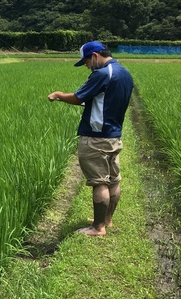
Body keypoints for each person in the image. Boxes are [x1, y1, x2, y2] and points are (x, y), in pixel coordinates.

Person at [48, 41, 134, 236]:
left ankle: (98, 227)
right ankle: (107, 220)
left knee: (99, 182)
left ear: (95, 56)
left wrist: (59, 95)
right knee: (113, 180)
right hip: (114, 135)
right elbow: (99, 99)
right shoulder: (125, 73)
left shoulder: (102, 74)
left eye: (86, 61)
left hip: (96, 137)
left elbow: (79, 97)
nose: (87, 66)